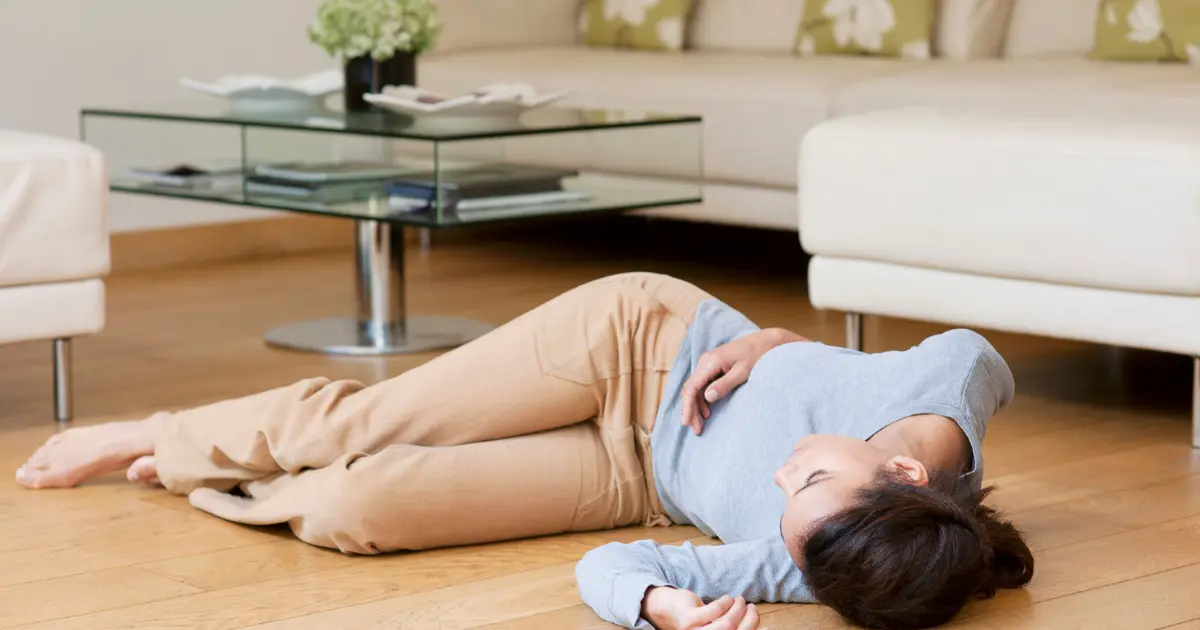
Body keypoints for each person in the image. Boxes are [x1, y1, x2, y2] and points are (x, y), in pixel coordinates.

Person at [15, 272, 1033, 630]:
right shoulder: (944, 393)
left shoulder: (831, 564)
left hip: (638, 480)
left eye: (787, 509)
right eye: (807, 478)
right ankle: (156, 434)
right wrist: (780, 343)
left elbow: (618, 564)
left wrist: (659, 605)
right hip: (639, 346)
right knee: (368, 422)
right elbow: (976, 347)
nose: (779, 484)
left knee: (350, 513)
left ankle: (215, 467)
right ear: (905, 474)